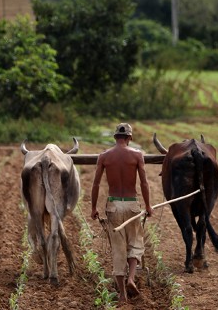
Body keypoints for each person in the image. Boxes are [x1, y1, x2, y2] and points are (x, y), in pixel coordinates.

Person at [91, 123, 154, 303]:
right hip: (132, 204)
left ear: (115, 138)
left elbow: (95, 184)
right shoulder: (136, 155)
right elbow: (144, 183)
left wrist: (93, 208)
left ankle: (122, 295)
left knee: (118, 249)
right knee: (135, 243)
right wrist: (148, 206)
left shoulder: (104, 156)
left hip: (113, 205)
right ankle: (132, 278)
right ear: (129, 138)